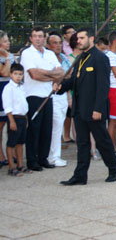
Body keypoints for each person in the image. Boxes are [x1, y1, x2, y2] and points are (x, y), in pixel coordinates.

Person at [57, 28, 116, 185]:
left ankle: (113, 168)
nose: (79, 41)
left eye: (82, 38)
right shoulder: (80, 58)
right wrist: (61, 87)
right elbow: (74, 81)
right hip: (79, 108)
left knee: (102, 140)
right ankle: (80, 175)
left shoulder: (100, 58)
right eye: (78, 38)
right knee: (82, 143)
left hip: (94, 109)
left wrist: (98, 109)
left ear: (91, 38)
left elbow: (103, 86)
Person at [20, 27, 64, 171]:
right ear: (31, 38)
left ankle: (43, 158)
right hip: (33, 95)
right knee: (34, 129)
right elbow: (34, 75)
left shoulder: (50, 54)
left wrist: (45, 73)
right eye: (35, 36)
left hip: (48, 95)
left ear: (45, 39)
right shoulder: (27, 53)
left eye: (40, 36)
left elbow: (61, 73)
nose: (38, 39)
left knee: (47, 128)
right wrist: (52, 75)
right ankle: (32, 160)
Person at [46, 33, 71, 167]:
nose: (58, 45)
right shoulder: (47, 57)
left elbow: (68, 74)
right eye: (54, 43)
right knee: (53, 126)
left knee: (58, 126)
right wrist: (58, 76)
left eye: (60, 43)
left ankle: (55, 155)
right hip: (51, 94)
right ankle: (52, 156)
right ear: (48, 45)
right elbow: (54, 75)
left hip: (62, 94)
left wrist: (59, 76)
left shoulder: (63, 57)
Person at [2, 63, 31, 177]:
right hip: (14, 118)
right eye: (15, 74)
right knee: (11, 143)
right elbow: (7, 106)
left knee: (20, 142)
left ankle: (20, 165)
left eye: (20, 74)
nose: (18, 76)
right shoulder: (8, 88)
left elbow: (24, 104)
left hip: (22, 118)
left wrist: (26, 118)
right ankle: (11, 167)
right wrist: (11, 121)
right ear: (10, 74)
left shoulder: (21, 87)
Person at [0, 30, 15, 167]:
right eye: (5, 41)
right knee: (0, 125)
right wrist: (7, 59)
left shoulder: (9, 56)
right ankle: (1, 154)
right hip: (0, 89)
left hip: (10, 89)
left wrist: (8, 58)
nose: (8, 43)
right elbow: (4, 72)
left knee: (11, 122)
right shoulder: (7, 57)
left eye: (8, 40)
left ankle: (12, 153)